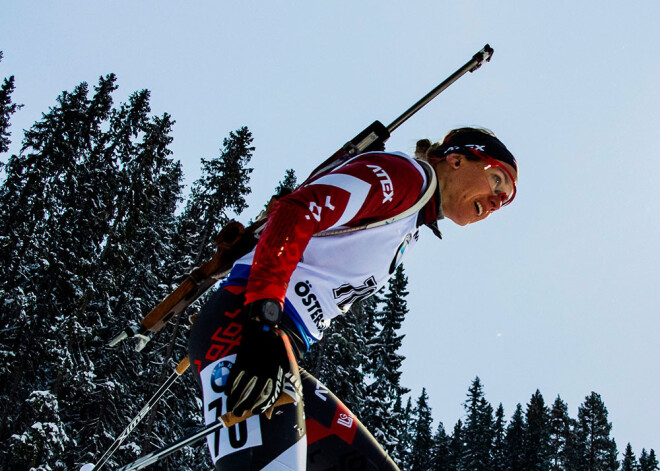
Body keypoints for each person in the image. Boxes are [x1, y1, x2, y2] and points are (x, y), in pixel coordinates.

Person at [188, 127, 519, 470]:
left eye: (505, 200)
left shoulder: (412, 220)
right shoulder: (404, 178)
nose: (497, 202)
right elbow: (298, 209)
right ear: (456, 159)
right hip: (248, 327)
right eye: (496, 181)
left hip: (281, 346)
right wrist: (263, 321)